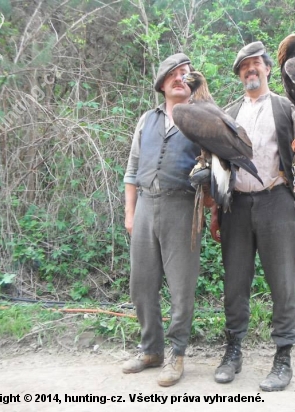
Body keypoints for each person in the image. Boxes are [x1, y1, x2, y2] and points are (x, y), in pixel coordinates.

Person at [209, 41, 295, 392]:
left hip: (276, 201)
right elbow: (217, 164)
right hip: (235, 206)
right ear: (239, 74)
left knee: (283, 282)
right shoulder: (227, 113)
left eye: (256, 65)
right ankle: (233, 351)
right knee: (235, 283)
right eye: (244, 67)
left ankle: (283, 357)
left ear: (268, 69)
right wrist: (214, 207)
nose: (250, 70)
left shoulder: (290, 109)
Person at [121, 53, 202, 387]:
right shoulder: (146, 119)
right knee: (141, 285)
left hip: (182, 207)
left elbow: (216, 168)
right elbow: (131, 169)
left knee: (181, 288)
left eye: (186, 73)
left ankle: (176, 355)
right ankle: (150, 349)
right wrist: (130, 213)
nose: (180, 77)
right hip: (144, 207)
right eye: (173, 73)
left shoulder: (200, 117)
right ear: (162, 83)